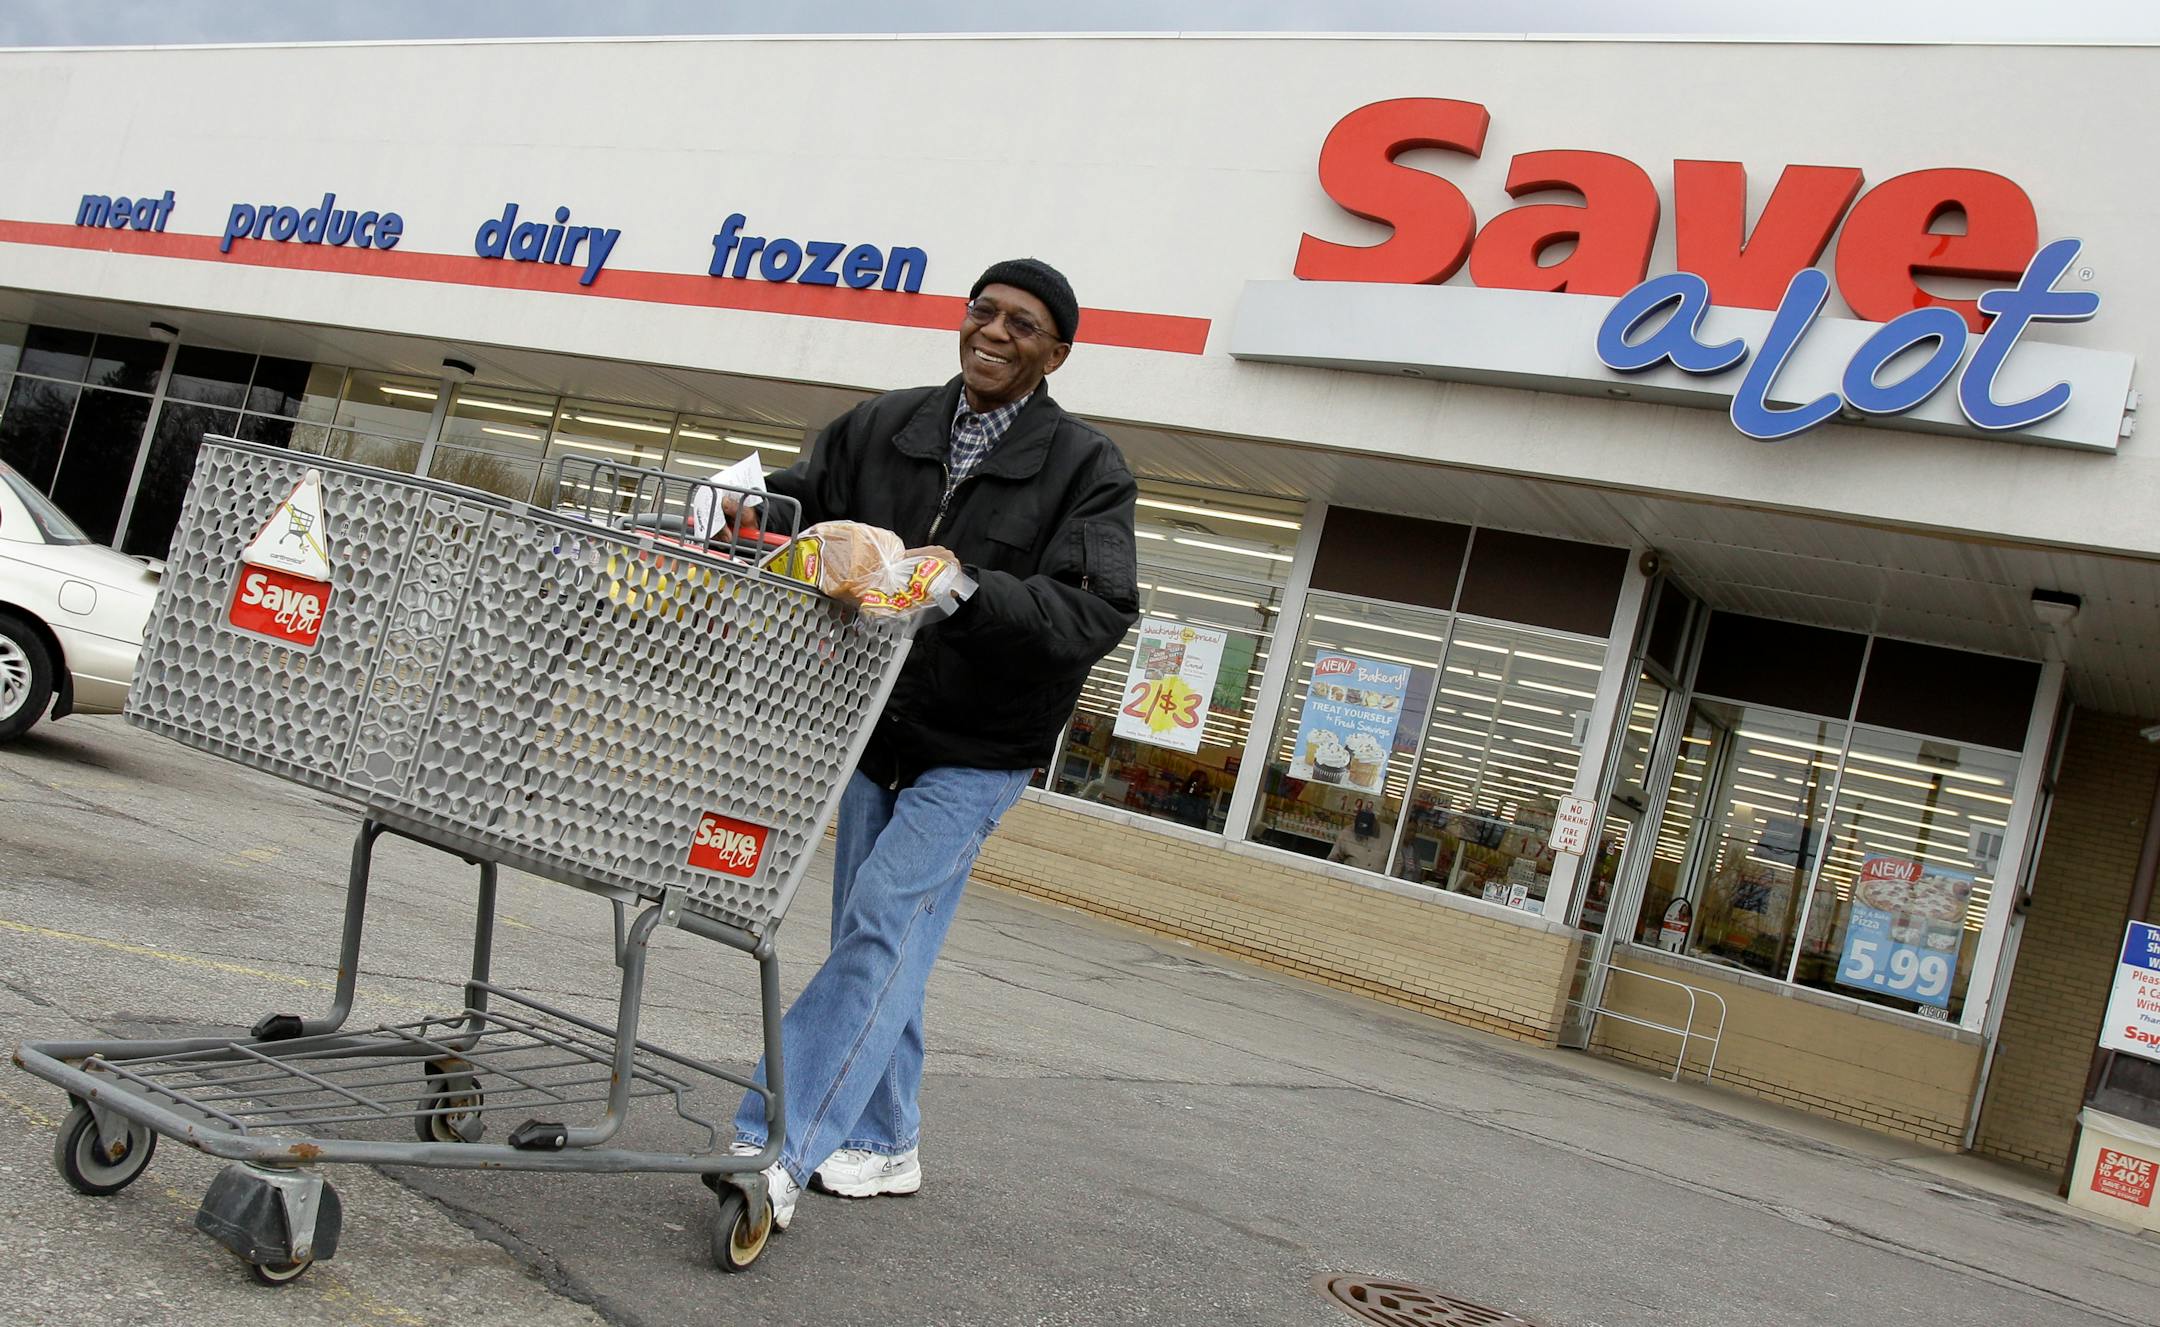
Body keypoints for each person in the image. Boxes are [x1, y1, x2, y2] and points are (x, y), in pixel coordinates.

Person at [727, 259, 1140, 1231]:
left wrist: (973, 588)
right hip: (880, 728)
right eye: (984, 312)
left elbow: (1099, 607)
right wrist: (742, 509)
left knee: (879, 926)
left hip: (979, 750)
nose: (996, 332)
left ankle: (777, 1145)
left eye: (1023, 324)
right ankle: (886, 1138)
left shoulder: (1085, 468)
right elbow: (803, 499)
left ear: (1057, 351)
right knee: (878, 942)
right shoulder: (890, 426)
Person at [1329, 806, 1388, 872]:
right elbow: (1333, 859)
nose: (1362, 835)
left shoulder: (1389, 834)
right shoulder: (1347, 832)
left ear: (1374, 825)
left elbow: (1397, 862)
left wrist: (1390, 881)